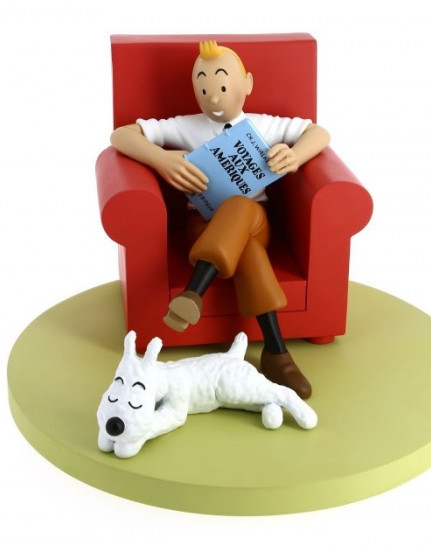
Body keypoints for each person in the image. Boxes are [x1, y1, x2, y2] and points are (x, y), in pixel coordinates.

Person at [110, 40, 330, 399]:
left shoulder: (264, 126)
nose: (213, 98)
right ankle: (277, 353)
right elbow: (120, 135)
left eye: (222, 87)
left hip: (256, 222)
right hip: (204, 225)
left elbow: (319, 133)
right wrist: (161, 160)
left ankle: (195, 291)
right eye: (203, 89)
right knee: (248, 252)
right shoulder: (186, 126)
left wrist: (295, 155)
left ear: (247, 83)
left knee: (241, 205)